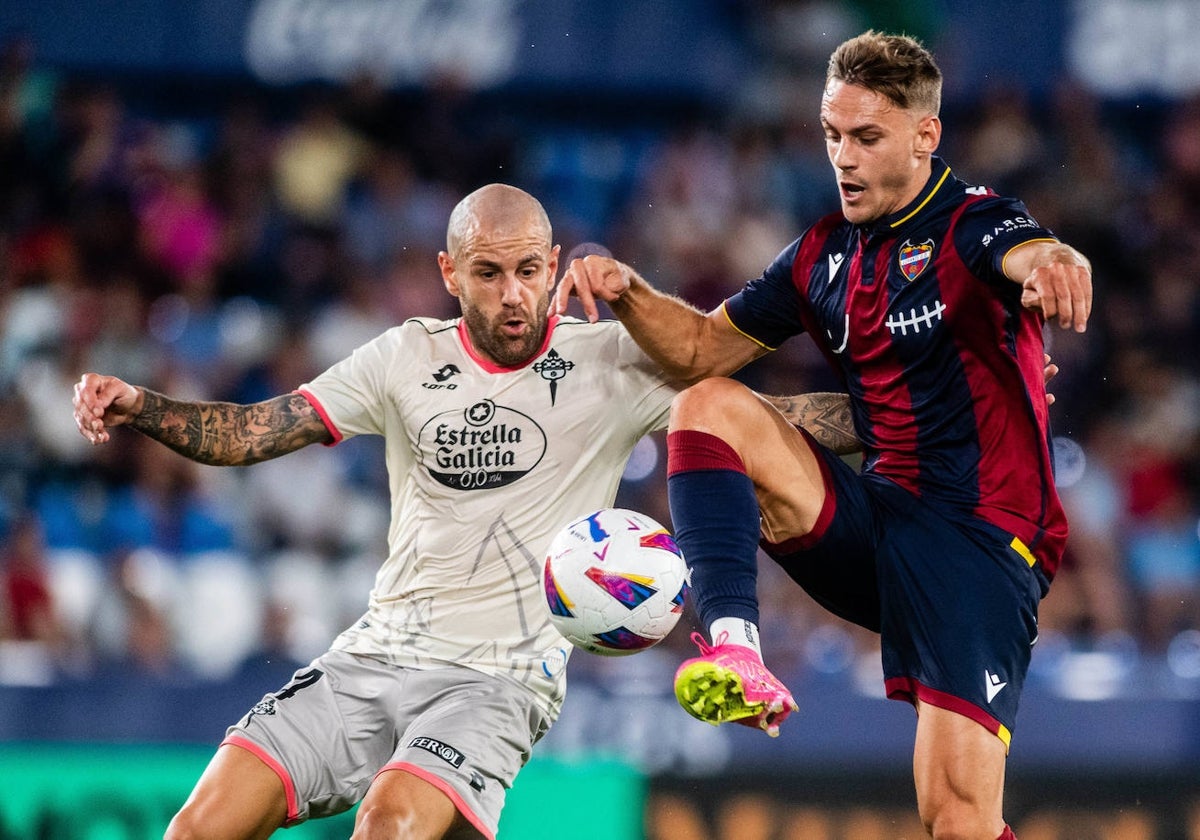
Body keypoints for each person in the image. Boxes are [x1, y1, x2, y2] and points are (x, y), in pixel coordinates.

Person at [72, 183, 861, 840]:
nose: (513, 293)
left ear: (554, 265)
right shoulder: (403, 357)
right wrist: (140, 405)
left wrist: (913, 413)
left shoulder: (614, 363)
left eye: (527, 270)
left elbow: (774, 422)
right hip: (372, 656)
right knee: (195, 828)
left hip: (499, 681)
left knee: (387, 824)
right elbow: (253, 432)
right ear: (451, 271)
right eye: (488, 273)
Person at [554, 31, 1092, 840]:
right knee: (706, 403)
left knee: (957, 819)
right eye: (833, 134)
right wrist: (627, 292)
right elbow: (701, 347)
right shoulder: (819, 257)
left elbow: (1027, 251)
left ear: (924, 135)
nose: (844, 156)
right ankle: (734, 643)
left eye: (867, 137)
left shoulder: (975, 224)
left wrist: (1056, 260)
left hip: (977, 549)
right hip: (873, 525)